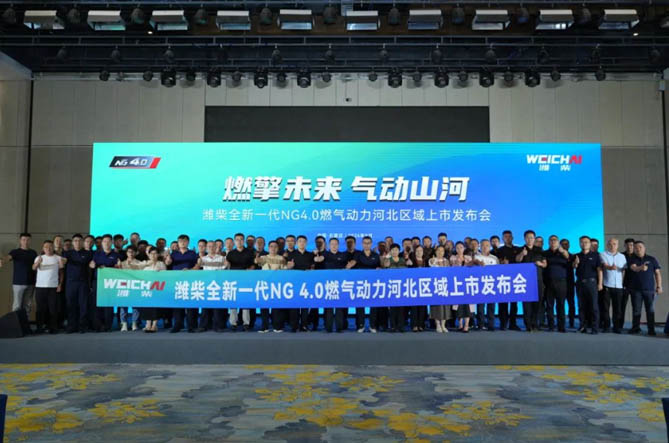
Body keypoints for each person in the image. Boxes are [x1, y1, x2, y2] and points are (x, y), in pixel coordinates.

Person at [314, 238, 352, 332]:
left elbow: (348, 266)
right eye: (332, 244)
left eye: (336, 244)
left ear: (338, 245)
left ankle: (339, 327)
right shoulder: (325, 254)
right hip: (328, 284)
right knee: (328, 307)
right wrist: (317, 259)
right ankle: (328, 327)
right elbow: (319, 259)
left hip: (340, 284)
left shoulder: (343, 255)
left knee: (340, 307)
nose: (334, 246)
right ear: (329, 245)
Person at [164, 234, 200, 333]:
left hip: (190, 281)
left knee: (190, 304)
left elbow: (198, 265)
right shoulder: (174, 254)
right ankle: (177, 325)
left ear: (188, 242)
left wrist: (190, 270)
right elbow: (168, 263)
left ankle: (191, 326)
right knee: (177, 304)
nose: (183, 243)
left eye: (185, 241)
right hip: (177, 281)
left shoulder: (192, 253)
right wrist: (168, 256)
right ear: (178, 243)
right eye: (180, 241)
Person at [256, 240, 292, 333]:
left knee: (276, 307)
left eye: (275, 246)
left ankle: (277, 326)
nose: (273, 248)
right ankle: (264, 327)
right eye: (271, 246)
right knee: (264, 307)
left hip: (276, 285)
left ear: (278, 248)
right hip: (265, 285)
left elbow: (284, 270)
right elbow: (257, 261)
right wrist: (256, 259)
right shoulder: (263, 257)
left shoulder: (281, 258)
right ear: (268, 248)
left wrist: (288, 267)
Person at [627, 240, 662, 336]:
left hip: (649, 290)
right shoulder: (631, 259)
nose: (638, 249)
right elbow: (633, 268)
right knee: (636, 310)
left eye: (640, 247)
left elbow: (657, 273)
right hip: (636, 290)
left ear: (644, 248)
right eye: (636, 248)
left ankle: (651, 329)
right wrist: (641, 268)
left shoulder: (652, 259)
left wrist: (659, 286)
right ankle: (635, 328)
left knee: (650, 310)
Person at [61, 234, 93, 334]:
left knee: (83, 305)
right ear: (72, 242)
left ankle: (82, 326)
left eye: (79, 240)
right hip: (70, 283)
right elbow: (62, 265)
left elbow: (89, 266)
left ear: (82, 242)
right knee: (71, 305)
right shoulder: (67, 253)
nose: (77, 242)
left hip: (83, 283)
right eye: (75, 241)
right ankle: (71, 326)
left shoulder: (88, 253)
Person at [516, 230, 547, 332]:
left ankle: (535, 323)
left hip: (538, 280)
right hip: (525, 281)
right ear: (524, 239)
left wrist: (540, 264)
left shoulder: (539, 250)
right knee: (526, 304)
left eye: (531, 238)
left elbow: (545, 264)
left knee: (537, 303)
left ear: (534, 239)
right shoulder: (521, 249)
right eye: (527, 238)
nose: (529, 239)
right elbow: (517, 260)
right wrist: (522, 254)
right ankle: (528, 324)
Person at [89, 234, 121, 332]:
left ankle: (107, 326)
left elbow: (118, 269)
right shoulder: (96, 254)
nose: (106, 243)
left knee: (108, 304)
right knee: (97, 304)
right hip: (97, 282)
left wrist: (114, 267)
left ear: (112, 243)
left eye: (108, 241)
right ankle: (97, 325)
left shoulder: (116, 255)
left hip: (110, 283)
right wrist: (92, 266)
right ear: (102, 243)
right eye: (104, 241)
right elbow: (92, 266)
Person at [0, 233, 38, 317]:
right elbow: (7, 258)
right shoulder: (15, 252)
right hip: (18, 283)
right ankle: (15, 324)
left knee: (27, 306)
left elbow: (36, 266)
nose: (26, 242)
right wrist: (2, 261)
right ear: (20, 241)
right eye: (24, 240)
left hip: (31, 283)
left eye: (28, 240)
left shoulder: (33, 252)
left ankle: (25, 323)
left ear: (30, 241)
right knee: (17, 306)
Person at [225, 233, 256, 331]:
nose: (239, 241)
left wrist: (251, 268)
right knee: (233, 302)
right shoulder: (231, 253)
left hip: (246, 280)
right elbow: (227, 266)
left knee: (245, 302)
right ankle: (233, 323)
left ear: (244, 241)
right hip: (233, 280)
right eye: (237, 239)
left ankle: (246, 323)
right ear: (234, 241)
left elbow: (253, 265)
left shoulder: (249, 252)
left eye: (241, 239)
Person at [33, 240, 64, 334]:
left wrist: (60, 284)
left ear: (53, 247)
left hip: (53, 287)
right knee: (40, 309)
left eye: (50, 246)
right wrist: (38, 262)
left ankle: (53, 328)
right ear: (43, 248)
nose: (48, 248)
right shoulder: (39, 257)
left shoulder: (58, 258)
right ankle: (39, 327)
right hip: (40, 287)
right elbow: (33, 268)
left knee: (53, 308)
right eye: (46, 247)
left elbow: (61, 273)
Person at [285, 235, 315, 332]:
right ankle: (294, 325)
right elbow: (287, 268)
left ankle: (304, 325)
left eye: (303, 241)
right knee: (295, 305)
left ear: (306, 243)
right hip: (294, 283)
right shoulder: (291, 254)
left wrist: (312, 269)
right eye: (300, 241)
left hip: (306, 283)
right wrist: (289, 267)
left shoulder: (310, 255)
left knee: (305, 305)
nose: (302, 243)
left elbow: (313, 267)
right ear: (297, 243)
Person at [573, 236, 603, 334]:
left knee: (594, 306)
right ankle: (582, 326)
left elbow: (599, 270)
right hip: (580, 283)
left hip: (592, 283)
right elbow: (573, 267)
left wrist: (600, 283)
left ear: (590, 244)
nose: (584, 244)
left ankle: (595, 328)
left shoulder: (596, 256)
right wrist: (575, 263)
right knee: (581, 306)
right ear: (579, 244)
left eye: (586, 242)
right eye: (582, 242)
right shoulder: (576, 255)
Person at [599, 237, 627, 333]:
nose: (612, 246)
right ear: (607, 245)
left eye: (614, 244)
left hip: (619, 286)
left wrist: (623, 283)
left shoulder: (622, 256)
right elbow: (604, 265)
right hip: (607, 285)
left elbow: (624, 270)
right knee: (605, 308)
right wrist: (610, 267)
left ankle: (616, 327)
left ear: (617, 245)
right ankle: (606, 326)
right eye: (610, 244)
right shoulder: (602, 254)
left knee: (617, 308)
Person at [354, 236, 381, 333]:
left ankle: (372, 325)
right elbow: (353, 265)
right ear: (362, 244)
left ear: (371, 244)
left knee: (373, 305)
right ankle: (360, 325)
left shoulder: (376, 255)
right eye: (365, 243)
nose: (366, 244)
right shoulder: (357, 255)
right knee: (360, 305)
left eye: (368, 243)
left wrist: (379, 268)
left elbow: (379, 267)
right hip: (361, 283)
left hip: (373, 283)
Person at [543, 235, 570, 332]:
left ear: (558, 242)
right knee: (549, 305)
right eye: (551, 240)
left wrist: (563, 251)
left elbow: (568, 257)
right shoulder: (545, 253)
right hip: (549, 282)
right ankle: (551, 325)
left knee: (561, 305)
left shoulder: (563, 252)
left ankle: (561, 326)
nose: (553, 242)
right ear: (548, 242)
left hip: (561, 282)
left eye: (555, 240)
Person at [198, 240, 227, 332]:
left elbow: (226, 267)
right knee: (205, 306)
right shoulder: (203, 259)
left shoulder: (222, 258)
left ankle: (218, 326)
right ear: (206, 248)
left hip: (217, 285)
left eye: (213, 246)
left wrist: (226, 263)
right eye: (209, 246)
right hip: (206, 284)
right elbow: (198, 268)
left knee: (217, 307)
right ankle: (203, 326)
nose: (211, 248)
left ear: (216, 247)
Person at [496, 230, 521, 331]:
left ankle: (513, 323)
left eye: (509, 236)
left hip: (515, 278)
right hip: (503, 279)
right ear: (502, 238)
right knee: (503, 303)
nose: (507, 238)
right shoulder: (499, 250)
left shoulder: (518, 249)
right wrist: (501, 263)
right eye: (505, 237)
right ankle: (503, 323)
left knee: (514, 303)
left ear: (512, 238)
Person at [473, 239, 499, 331]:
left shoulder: (494, 258)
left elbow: (499, 271)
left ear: (490, 247)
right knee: (480, 306)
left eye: (487, 245)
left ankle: (491, 324)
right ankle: (480, 324)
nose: (485, 247)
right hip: (480, 284)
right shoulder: (476, 257)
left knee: (491, 305)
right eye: (483, 245)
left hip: (491, 283)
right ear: (480, 246)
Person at [382, 243, 407, 333]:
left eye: (396, 250)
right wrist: (386, 260)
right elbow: (385, 267)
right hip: (391, 286)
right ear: (390, 251)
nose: (394, 252)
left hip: (402, 286)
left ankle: (401, 326)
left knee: (401, 308)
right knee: (392, 308)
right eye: (393, 250)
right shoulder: (388, 259)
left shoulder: (402, 260)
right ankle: (393, 326)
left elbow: (407, 271)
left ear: (399, 251)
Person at [141, 246, 166, 333]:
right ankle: (148, 324)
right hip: (147, 289)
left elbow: (165, 277)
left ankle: (154, 325)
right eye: (151, 253)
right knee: (147, 306)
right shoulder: (145, 264)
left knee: (156, 307)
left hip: (158, 289)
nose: (153, 255)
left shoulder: (161, 264)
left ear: (158, 254)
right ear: (148, 254)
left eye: (155, 253)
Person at [119, 246, 144, 331]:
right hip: (124, 286)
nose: (131, 253)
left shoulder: (139, 263)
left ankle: (134, 323)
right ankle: (124, 323)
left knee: (136, 305)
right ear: (126, 253)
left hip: (135, 286)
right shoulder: (122, 263)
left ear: (136, 253)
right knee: (123, 305)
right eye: (129, 251)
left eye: (132, 252)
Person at [428, 245, 450, 333]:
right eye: (438, 250)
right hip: (435, 285)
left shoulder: (446, 261)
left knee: (445, 305)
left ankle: (443, 325)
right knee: (436, 306)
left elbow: (449, 272)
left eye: (442, 251)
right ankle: (437, 324)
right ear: (435, 251)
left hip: (445, 285)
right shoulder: (432, 260)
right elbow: (432, 271)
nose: (440, 252)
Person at [408, 245, 428, 332]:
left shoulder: (427, 261)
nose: (419, 252)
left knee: (423, 306)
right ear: (415, 252)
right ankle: (414, 325)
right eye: (417, 251)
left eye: (421, 250)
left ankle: (421, 324)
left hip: (424, 286)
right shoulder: (411, 261)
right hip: (414, 286)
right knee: (414, 306)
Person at [560, 238, 577, 329]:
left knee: (571, 304)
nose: (565, 245)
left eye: (566, 244)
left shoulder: (573, 256)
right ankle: (561, 322)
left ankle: (571, 322)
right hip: (559, 284)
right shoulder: (557, 256)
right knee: (560, 304)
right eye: (563, 244)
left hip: (570, 283)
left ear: (569, 246)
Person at [622, 238, 635, 330]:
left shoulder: (637, 256)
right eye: (627, 245)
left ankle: (635, 327)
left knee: (636, 308)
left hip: (635, 286)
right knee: (621, 307)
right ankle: (619, 326)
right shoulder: (621, 256)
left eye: (631, 245)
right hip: (624, 285)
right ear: (624, 246)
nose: (629, 247)